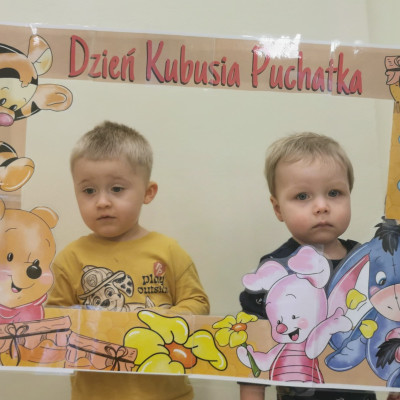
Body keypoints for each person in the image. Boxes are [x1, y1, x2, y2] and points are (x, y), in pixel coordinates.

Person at [46, 121, 210, 400]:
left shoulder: (168, 251)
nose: (102, 202)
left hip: (166, 395)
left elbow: (198, 303)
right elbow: (55, 320)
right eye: (89, 191)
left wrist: (160, 322)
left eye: (117, 189)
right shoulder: (70, 259)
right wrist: (84, 321)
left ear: (148, 192)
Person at [239, 132, 377, 400]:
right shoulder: (272, 272)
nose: (322, 206)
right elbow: (253, 347)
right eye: (302, 196)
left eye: (334, 193)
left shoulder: (368, 263)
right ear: (278, 209)